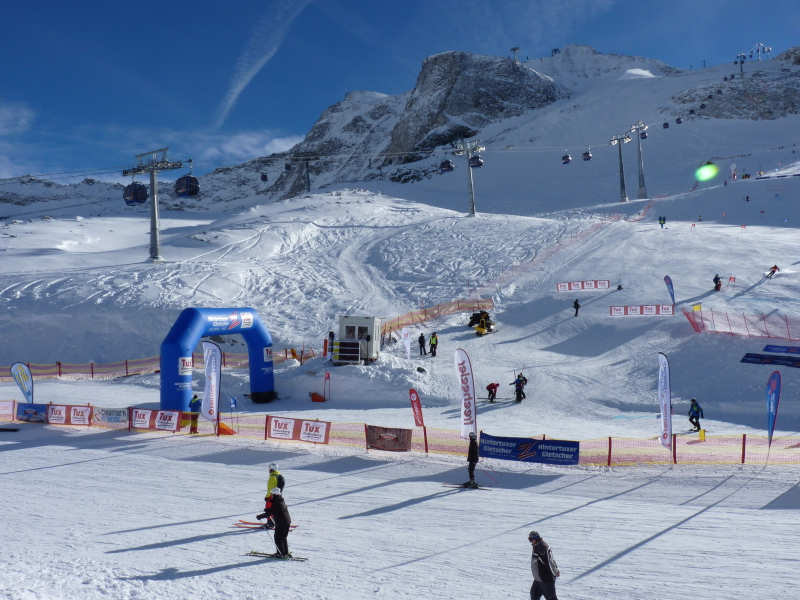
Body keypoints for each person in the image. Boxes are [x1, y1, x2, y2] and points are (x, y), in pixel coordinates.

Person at [257, 489, 292, 558]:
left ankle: (280, 553)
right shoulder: (281, 501)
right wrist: (268, 510)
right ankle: (285, 552)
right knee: (283, 537)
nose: (271, 495)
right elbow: (275, 510)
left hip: (281, 522)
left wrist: (261, 516)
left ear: (274, 494)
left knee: (278, 538)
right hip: (286, 521)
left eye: (272, 494)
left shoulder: (276, 503)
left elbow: (271, 512)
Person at [528, 531, 560, 600]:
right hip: (539, 579)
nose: (530, 542)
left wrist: (554, 572)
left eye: (530, 540)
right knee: (534, 595)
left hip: (546, 580)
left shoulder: (541, 547)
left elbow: (549, 562)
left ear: (535, 539)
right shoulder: (537, 546)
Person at [263, 463, 285, 529]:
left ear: (272, 469)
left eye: (269, 469)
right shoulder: (278, 475)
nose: (269, 470)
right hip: (277, 496)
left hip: (271, 496)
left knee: (268, 509)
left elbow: (270, 489)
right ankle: (274, 521)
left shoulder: (273, 477)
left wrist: (267, 496)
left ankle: (270, 524)